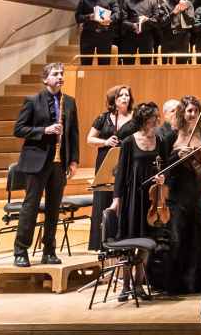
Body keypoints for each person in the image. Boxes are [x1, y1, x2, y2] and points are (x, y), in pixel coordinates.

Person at [11, 63, 80, 267]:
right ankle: (20, 250)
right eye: (55, 74)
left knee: (53, 208)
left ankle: (49, 250)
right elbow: (19, 129)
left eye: (61, 74)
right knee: (30, 206)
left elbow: (73, 132)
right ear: (45, 79)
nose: (60, 77)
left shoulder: (69, 102)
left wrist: (74, 160)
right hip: (36, 162)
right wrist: (44, 130)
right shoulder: (32, 101)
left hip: (59, 163)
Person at [150, 94, 201, 294]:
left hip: (197, 193)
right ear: (182, 112)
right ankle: (174, 283)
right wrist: (176, 155)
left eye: (196, 111)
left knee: (200, 237)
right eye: (189, 110)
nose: (192, 114)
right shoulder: (171, 137)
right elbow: (163, 166)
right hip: (176, 193)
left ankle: (199, 282)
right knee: (176, 239)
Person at [105, 100, 165, 301]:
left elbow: (164, 168)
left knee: (147, 242)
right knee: (129, 242)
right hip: (132, 197)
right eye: (154, 117)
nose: (158, 120)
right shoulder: (130, 142)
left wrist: (163, 178)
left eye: (157, 116)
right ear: (145, 119)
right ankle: (126, 286)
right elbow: (121, 173)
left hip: (151, 199)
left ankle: (139, 284)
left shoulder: (160, 141)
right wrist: (116, 199)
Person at [87, 84, 133, 250]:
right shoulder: (103, 117)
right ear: (113, 99)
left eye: (127, 95)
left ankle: (120, 239)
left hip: (126, 161)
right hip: (105, 160)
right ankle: (100, 242)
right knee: (103, 198)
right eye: (121, 95)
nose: (124, 98)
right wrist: (105, 142)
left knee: (121, 196)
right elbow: (90, 139)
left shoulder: (134, 118)